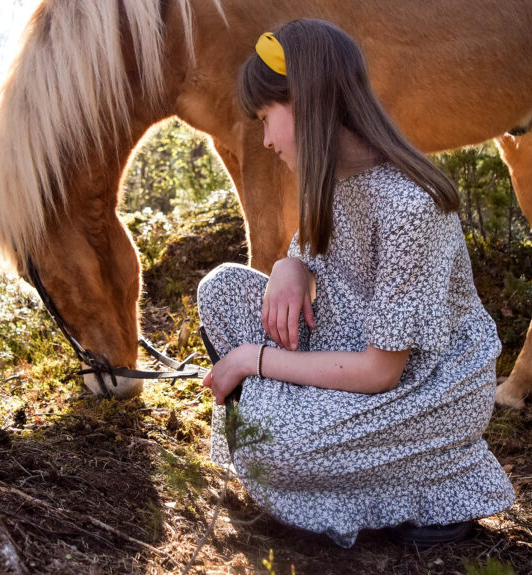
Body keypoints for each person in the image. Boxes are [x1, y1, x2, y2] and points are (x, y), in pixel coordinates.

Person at [196, 19, 514, 549]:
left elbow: (380, 371)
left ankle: (431, 475)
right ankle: (286, 416)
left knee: (268, 448)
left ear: (308, 101)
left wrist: (251, 359)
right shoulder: (335, 180)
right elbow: (308, 248)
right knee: (222, 289)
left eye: (268, 118)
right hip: (353, 342)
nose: (268, 139)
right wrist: (287, 266)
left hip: (424, 388)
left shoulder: (410, 206)